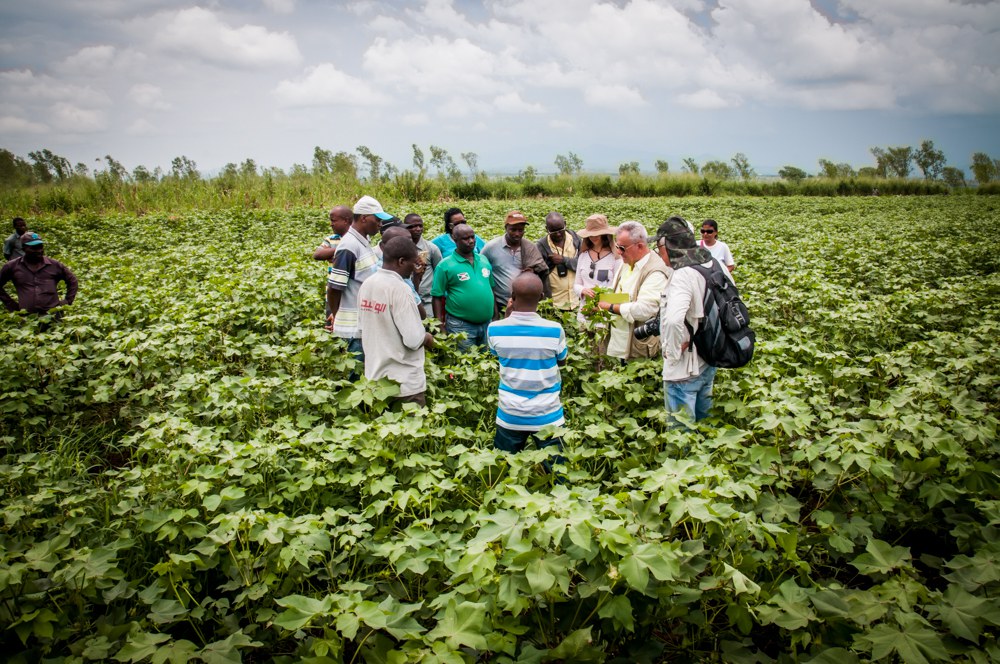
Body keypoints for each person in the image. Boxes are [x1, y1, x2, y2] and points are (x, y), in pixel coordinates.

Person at [654, 217, 734, 421]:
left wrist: (671, 353)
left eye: (659, 247)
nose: (658, 253)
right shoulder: (715, 264)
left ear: (669, 246)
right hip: (709, 357)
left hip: (684, 368)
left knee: (682, 433)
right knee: (703, 423)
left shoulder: (683, 274)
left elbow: (673, 321)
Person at [487, 272, 568, 455]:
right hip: (548, 414)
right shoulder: (554, 330)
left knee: (504, 467)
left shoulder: (494, 329)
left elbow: (497, 354)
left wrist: (507, 316)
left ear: (512, 297)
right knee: (557, 471)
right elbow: (561, 361)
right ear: (541, 297)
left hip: (510, 413)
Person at [358, 236, 435, 407]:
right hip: (404, 385)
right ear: (401, 261)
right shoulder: (400, 289)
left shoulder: (367, 285)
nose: (415, 269)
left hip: (376, 381)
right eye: (413, 263)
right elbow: (414, 340)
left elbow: (362, 328)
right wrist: (428, 338)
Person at [327, 195, 392, 360]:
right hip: (353, 330)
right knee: (356, 379)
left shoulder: (363, 242)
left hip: (364, 325)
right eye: (377, 219)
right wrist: (337, 316)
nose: (380, 224)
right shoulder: (349, 246)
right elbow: (334, 288)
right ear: (364, 218)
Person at [595, 221, 670, 361]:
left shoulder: (655, 271)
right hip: (618, 344)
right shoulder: (627, 262)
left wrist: (611, 307)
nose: (618, 252)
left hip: (637, 349)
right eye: (617, 247)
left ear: (640, 246)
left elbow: (645, 309)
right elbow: (616, 291)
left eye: (622, 248)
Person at [431, 223, 495, 351]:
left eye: (472, 237)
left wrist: (495, 316)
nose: (471, 241)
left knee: (488, 360)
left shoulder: (483, 260)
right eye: (466, 238)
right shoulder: (445, 265)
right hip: (460, 325)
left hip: (487, 323)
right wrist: (440, 325)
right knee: (466, 363)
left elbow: (491, 288)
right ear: (455, 240)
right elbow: (437, 296)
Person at [481, 210, 547, 317]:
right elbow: (481, 269)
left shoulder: (530, 248)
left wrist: (532, 272)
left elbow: (542, 270)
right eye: (513, 230)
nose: (517, 233)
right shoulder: (491, 248)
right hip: (500, 305)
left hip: (525, 307)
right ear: (506, 227)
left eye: (521, 230)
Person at [0, 232, 78, 316]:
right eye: (33, 248)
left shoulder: (54, 265)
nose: (39, 251)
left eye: (40, 247)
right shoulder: (12, 266)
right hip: (27, 318)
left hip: (54, 317)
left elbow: (72, 281)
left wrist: (67, 301)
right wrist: (11, 304)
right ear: (23, 249)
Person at [314, 205, 353, 321]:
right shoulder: (331, 238)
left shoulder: (358, 238)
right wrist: (342, 251)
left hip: (349, 295)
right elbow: (318, 254)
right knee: (331, 327)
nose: (331, 224)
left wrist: (332, 254)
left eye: (333, 220)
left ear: (346, 220)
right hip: (331, 295)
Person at [536, 211, 582, 310]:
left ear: (565, 224)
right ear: (546, 229)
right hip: (555, 304)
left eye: (560, 229)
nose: (558, 234)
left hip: (577, 301)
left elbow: (584, 265)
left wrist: (563, 260)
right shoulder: (541, 246)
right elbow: (538, 273)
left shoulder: (576, 239)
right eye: (553, 231)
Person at [573, 214, 622, 302]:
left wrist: (601, 295)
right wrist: (583, 290)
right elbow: (576, 284)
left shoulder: (615, 257)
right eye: (591, 235)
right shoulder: (583, 256)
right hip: (585, 308)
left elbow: (618, 286)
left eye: (598, 234)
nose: (594, 237)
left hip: (606, 308)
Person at [404, 213, 443, 310]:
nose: (418, 229)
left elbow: (440, 273)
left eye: (420, 226)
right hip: (405, 300)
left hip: (427, 301)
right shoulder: (400, 248)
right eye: (412, 226)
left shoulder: (431, 249)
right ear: (404, 227)